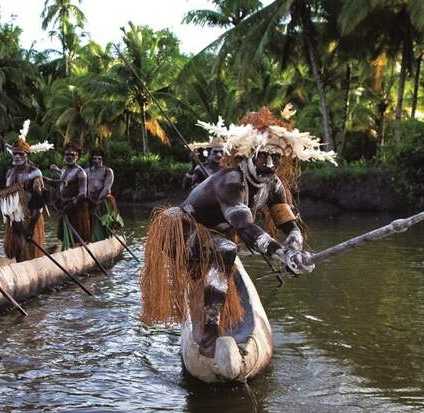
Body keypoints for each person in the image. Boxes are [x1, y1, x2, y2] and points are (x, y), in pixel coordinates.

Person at [140, 106, 337, 356]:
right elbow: (243, 226)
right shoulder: (231, 181)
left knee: (223, 249)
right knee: (226, 249)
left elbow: (288, 223)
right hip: (180, 232)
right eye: (262, 155)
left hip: (214, 236)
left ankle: (214, 296)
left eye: (275, 157)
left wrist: (295, 249)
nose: (269, 163)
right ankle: (209, 339)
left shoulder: (274, 185)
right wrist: (281, 254)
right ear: (247, 155)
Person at [0, 120, 52, 262]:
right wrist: (10, 219)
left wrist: (31, 227)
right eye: (15, 154)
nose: (17, 157)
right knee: (17, 251)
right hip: (14, 219)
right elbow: (7, 198)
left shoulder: (35, 173)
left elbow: (39, 202)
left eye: (21, 154)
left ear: (27, 155)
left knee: (29, 252)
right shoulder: (9, 173)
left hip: (31, 218)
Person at [47, 142, 89, 249]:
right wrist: (41, 178)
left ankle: (78, 253)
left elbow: (83, 194)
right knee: (64, 236)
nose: (69, 157)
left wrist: (70, 206)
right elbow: (58, 183)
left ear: (77, 156)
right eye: (67, 154)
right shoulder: (64, 170)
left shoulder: (80, 172)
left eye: (72, 155)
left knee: (76, 238)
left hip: (76, 210)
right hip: (65, 208)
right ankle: (66, 252)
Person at [84, 147, 123, 242]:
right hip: (90, 200)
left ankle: (108, 240)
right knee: (90, 223)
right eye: (94, 158)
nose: (96, 160)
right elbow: (76, 178)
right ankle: (91, 241)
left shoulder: (108, 171)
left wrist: (97, 202)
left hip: (104, 201)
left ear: (103, 159)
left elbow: (107, 187)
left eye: (99, 158)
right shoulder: (86, 171)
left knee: (104, 224)